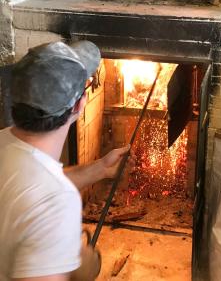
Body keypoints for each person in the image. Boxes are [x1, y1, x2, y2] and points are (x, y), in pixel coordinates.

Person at [0, 40, 133, 281]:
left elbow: (33, 188)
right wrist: (77, 270)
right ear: (80, 105)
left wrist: (100, 168)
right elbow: (47, 196)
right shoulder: (57, 202)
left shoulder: (5, 144)